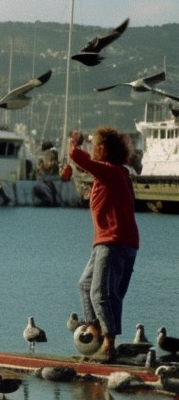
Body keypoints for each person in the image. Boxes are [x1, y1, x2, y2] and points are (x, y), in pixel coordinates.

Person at [69, 127, 139, 362]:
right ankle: (96, 329)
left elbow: (78, 158)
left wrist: (74, 143)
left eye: (94, 145)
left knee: (101, 293)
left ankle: (109, 344)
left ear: (102, 149)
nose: (91, 149)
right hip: (111, 242)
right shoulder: (115, 175)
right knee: (85, 285)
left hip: (113, 241)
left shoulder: (111, 172)